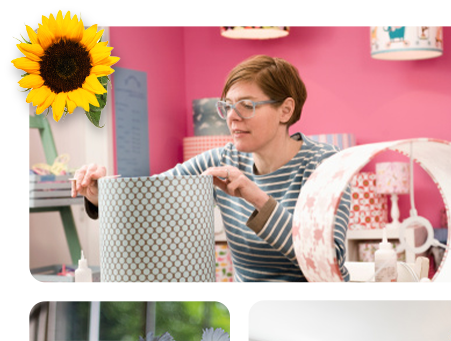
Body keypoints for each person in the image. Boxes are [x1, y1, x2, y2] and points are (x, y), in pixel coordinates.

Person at [72, 55, 350, 283]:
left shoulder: (326, 165)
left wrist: (257, 198)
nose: (232, 116)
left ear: (286, 110)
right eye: (227, 107)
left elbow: (330, 262)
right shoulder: (219, 162)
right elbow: (147, 197)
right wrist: (99, 193)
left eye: (247, 105)